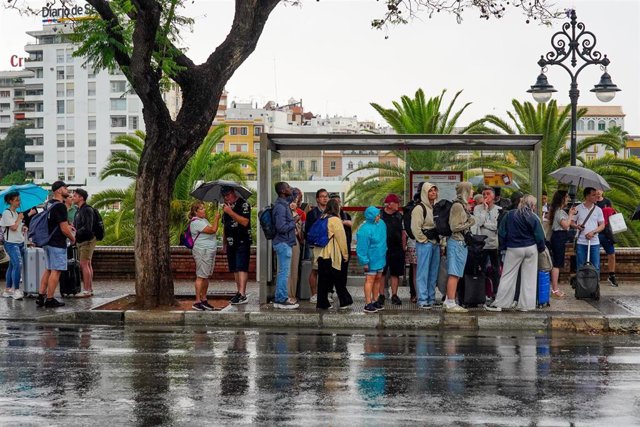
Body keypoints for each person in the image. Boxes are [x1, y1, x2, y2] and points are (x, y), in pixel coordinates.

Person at [486, 195, 546, 312]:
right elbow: (539, 236)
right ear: (532, 205)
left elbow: (502, 232)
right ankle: (526, 306)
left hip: (514, 248)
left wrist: (503, 247)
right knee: (529, 278)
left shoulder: (510, 215)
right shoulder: (533, 217)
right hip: (530, 248)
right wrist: (541, 248)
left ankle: (501, 303)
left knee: (508, 276)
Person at [36, 181, 76, 308]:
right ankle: (50, 299)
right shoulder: (60, 206)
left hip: (47, 241)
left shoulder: (48, 204)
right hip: (57, 242)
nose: (67, 190)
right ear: (58, 190)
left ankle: (41, 296)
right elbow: (63, 228)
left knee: (48, 269)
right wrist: (72, 238)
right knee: (56, 270)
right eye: (65, 188)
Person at [314, 199, 353, 310]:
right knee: (339, 278)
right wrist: (345, 255)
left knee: (323, 280)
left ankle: (322, 303)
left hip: (322, 254)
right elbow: (342, 239)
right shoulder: (335, 220)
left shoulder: (322, 217)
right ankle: (344, 301)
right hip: (333, 254)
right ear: (337, 208)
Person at [444, 182, 475, 313]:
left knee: (457, 273)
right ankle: (451, 302)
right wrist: (470, 222)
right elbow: (454, 226)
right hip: (457, 242)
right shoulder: (458, 206)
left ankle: (449, 299)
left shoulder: (462, 205)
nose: (472, 191)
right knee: (454, 273)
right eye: (471, 189)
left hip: (460, 243)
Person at [411, 183, 440, 310]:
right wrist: (423, 240)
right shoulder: (419, 208)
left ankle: (431, 298)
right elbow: (415, 228)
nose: (433, 193)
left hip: (435, 243)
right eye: (430, 191)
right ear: (424, 192)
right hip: (425, 243)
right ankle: (423, 299)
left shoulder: (436, 207)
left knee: (433, 272)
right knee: (423, 272)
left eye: (434, 190)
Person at [221, 186, 252, 305]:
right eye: (224, 196)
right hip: (230, 241)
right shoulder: (226, 208)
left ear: (233, 193)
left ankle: (243, 293)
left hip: (242, 240)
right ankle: (238, 291)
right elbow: (225, 226)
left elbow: (244, 222)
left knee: (241, 266)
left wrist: (230, 212)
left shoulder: (243, 204)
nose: (226, 198)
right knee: (234, 267)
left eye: (228, 195)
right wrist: (224, 243)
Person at [188, 201, 220, 311]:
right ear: (195, 212)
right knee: (201, 276)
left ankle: (204, 299)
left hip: (209, 251)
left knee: (205, 275)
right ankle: (197, 301)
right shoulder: (196, 222)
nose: (204, 210)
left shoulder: (204, 220)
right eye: (201, 209)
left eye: (204, 208)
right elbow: (212, 230)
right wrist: (216, 218)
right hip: (202, 251)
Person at [272, 181, 299, 309]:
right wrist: (294, 222)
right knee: (284, 273)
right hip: (283, 243)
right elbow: (281, 227)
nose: (290, 189)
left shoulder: (284, 204)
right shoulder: (280, 207)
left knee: (283, 272)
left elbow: (294, 195)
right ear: (282, 191)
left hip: (284, 242)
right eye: (288, 187)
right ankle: (281, 299)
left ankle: (279, 297)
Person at [356, 206, 387, 313]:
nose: (379, 216)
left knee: (378, 278)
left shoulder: (381, 224)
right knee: (370, 280)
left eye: (379, 215)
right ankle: (367, 302)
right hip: (371, 258)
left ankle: (375, 300)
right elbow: (361, 247)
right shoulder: (364, 230)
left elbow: (384, 239)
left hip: (380, 257)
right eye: (376, 215)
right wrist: (364, 261)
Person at [473, 187, 502, 300]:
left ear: (494, 196)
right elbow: (478, 222)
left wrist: (485, 224)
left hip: (494, 244)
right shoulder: (477, 208)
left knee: (495, 269)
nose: (485, 196)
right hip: (481, 244)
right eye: (483, 193)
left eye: (488, 194)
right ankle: (481, 293)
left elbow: (496, 226)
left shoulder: (499, 209)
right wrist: (484, 210)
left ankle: (495, 293)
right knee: (481, 269)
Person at [547, 190, 576, 298]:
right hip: (559, 237)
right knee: (557, 264)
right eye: (567, 197)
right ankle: (555, 289)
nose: (568, 199)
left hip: (559, 237)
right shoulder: (559, 212)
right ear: (562, 198)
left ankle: (555, 288)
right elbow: (565, 225)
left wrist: (576, 225)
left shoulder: (558, 211)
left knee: (557, 263)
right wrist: (570, 214)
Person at [571, 187, 605, 274]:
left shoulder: (598, 210)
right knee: (580, 266)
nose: (596, 196)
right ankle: (581, 286)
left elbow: (602, 225)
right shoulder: (578, 208)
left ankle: (595, 286)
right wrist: (577, 226)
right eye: (593, 195)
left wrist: (593, 232)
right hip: (581, 242)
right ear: (587, 196)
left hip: (594, 242)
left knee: (596, 266)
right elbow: (571, 222)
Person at [379, 193, 405, 306]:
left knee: (395, 273)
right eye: (396, 203)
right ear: (389, 204)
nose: (398, 205)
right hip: (382, 248)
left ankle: (394, 295)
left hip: (397, 248)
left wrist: (403, 246)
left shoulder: (399, 215)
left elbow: (403, 232)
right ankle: (381, 295)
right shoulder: (380, 215)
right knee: (382, 272)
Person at [72, 188, 98, 297]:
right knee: (87, 264)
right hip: (83, 240)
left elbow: (88, 227)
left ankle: (87, 290)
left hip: (87, 240)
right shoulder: (79, 210)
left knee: (84, 264)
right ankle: (89, 288)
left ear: (81, 197)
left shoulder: (86, 210)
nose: (73, 197)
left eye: (75, 195)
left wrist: (76, 232)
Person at [305, 188, 329, 303]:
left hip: (328, 246)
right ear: (317, 199)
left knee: (327, 271)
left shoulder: (331, 212)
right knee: (315, 270)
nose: (325, 198)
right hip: (315, 246)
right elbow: (308, 231)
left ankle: (325, 294)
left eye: (326, 196)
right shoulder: (312, 214)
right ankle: (314, 294)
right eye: (322, 196)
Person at [1, 191, 26, 300]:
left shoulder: (16, 213)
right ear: (10, 201)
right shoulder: (7, 213)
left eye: (19, 200)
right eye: (17, 200)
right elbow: (13, 227)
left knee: (12, 266)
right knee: (18, 265)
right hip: (11, 244)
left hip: (20, 242)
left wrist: (24, 227)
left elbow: (18, 228)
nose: (19, 202)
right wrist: (20, 218)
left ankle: (7, 290)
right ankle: (16, 290)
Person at [596, 189, 619, 287]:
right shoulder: (592, 203)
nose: (597, 192)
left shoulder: (607, 201)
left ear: (602, 191)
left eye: (599, 190)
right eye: (596, 190)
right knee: (595, 254)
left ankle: (611, 275)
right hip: (596, 231)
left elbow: (613, 214)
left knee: (612, 254)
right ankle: (594, 276)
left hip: (606, 233)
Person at [287, 188, 306, 304]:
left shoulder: (301, 213)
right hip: (288, 241)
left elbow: (303, 230)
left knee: (293, 269)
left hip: (295, 242)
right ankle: (288, 295)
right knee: (287, 270)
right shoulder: (284, 210)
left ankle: (291, 294)